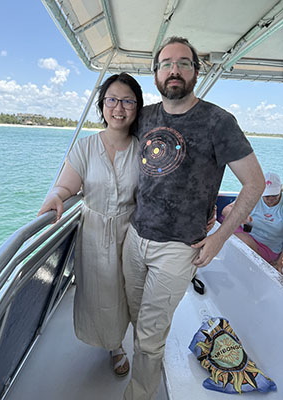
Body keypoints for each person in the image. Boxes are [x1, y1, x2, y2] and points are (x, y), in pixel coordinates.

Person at [121, 36, 265, 400]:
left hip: (178, 248)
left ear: (197, 72)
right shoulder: (147, 116)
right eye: (166, 63)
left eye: (184, 63)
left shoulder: (219, 122)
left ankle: (138, 394)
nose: (174, 70)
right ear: (155, 73)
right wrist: (65, 189)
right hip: (135, 237)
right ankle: (139, 363)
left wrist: (218, 237)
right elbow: (111, 146)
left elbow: (254, 183)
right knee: (138, 318)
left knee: (150, 334)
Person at [38, 72, 144, 377]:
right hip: (95, 232)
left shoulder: (142, 150)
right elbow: (66, 187)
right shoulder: (85, 147)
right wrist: (56, 196)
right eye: (112, 100)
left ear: (137, 108)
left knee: (126, 291)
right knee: (99, 292)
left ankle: (122, 342)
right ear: (102, 105)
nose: (119, 108)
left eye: (127, 101)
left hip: (131, 232)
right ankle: (111, 341)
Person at [222, 172, 283, 273]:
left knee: (239, 241)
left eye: (274, 195)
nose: (271, 199)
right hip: (247, 232)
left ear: (280, 190)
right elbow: (226, 210)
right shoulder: (253, 195)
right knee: (227, 224)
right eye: (267, 196)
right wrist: (241, 216)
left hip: (268, 246)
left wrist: (279, 262)